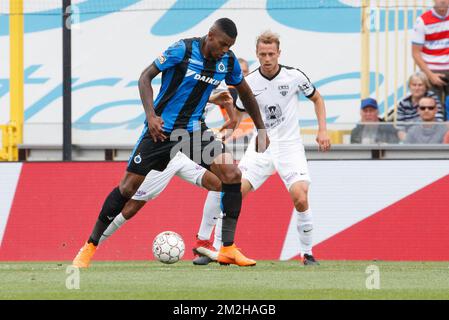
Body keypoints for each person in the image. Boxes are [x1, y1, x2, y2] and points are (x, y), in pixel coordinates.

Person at [72, 18, 270, 268]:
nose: (225, 50)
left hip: (194, 132)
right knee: (127, 189)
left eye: (230, 46)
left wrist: (261, 128)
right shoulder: (182, 50)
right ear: (210, 36)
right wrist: (151, 116)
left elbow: (245, 92)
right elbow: (145, 77)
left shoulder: (227, 61)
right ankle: (89, 246)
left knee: (231, 174)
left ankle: (227, 248)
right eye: (222, 44)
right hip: (162, 131)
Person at [192, 30, 331, 266]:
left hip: (290, 147)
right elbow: (237, 115)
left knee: (300, 197)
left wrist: (322, 130)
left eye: (271, 54)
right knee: (233, 192)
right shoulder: (250, 83)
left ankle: (307, 254)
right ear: (257, 54)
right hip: (260, 148)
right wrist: (224, 133)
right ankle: (217, 250)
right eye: (262, 54)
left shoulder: (294, 76)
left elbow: (317, 98)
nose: (267, 59)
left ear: (279, 53)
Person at [412, 0, 449, 119]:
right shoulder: (422, 21)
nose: (442, 1)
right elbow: (415, 53)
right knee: (433, 112)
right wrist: (430, 75)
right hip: (431, 71)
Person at [394, 72, 444, 140]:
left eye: (420, 85)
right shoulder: (403, 104)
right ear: (409, 87)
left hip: (432, 137)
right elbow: (400, 129)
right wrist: (409, 142)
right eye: (414, 85)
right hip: (410, 139)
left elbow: (439, 122)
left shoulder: (432, 99)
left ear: (426, 87)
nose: (417, 88)